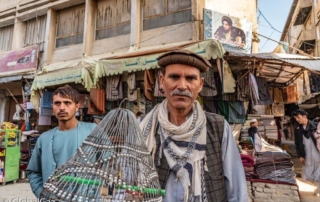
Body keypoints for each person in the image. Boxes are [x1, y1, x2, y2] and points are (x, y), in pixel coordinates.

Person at [140, 50, 248, 202]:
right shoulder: (144, 127)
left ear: (200, 85)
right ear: (162, 81)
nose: (182, 86)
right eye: (174, 77)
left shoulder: (219, 127)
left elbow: (237, 191)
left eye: (190, 78)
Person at [27, 85, 96, 198]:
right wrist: (42, 194)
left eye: (67, 103)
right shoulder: (44, 139)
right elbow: (33, 171)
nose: (62, 107)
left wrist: (93, 192)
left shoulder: (93, 131)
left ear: (77, 106)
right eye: (57, 103)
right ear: (52, 106)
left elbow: (109, 166)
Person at [292, 109, 320, 197]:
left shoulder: (315, 126)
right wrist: (300, 155)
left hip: (317, 151)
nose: (297, 119)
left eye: (298, 117)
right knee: (309, 172)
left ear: (304, 117)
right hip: (306, 153)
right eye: (295, 118)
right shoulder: (297, 129)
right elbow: (297, 143)